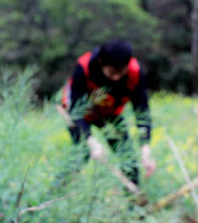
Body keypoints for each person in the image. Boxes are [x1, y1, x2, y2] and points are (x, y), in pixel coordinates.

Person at [60, 40, 156, 184]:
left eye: (120, 72)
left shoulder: (134, 71)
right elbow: (75, 109)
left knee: (127, 157)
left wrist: (145, 147)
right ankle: (54, 193)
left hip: (110, 114)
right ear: (101, 62)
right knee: (82, 153)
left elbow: (141, 109)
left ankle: (134, 201)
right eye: (112, 72)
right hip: (80, 114)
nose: (116, 77)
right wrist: (91, 141)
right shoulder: (84, 66)